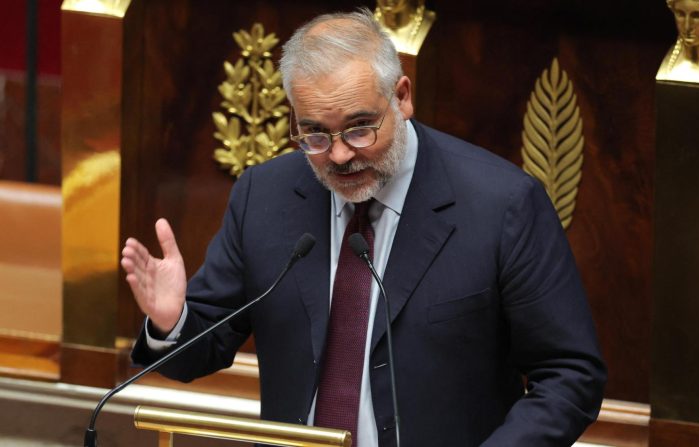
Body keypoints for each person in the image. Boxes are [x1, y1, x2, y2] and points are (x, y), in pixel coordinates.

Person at [124, 9, 605, 447]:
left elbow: (569, 374)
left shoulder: (503, 205)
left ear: (402, 97)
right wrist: (172, 322)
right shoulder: (265, 196)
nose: (338, 154)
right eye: (314, 133)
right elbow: (201, 349)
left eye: (359, 128)